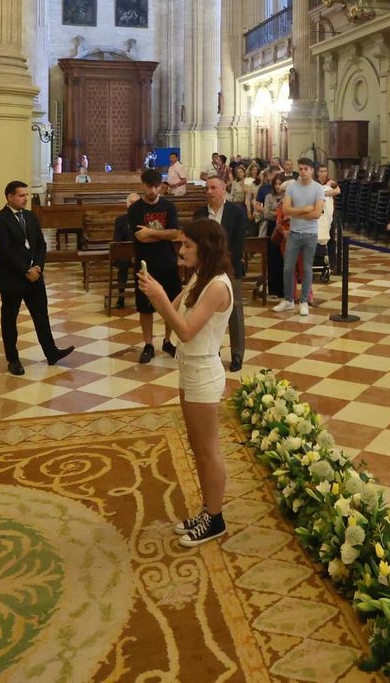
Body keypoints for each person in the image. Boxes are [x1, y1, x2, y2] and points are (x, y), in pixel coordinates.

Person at [140, 219, 236, 548]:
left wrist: (160, 297)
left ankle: (216, 518)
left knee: (208, 451)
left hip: (204, 371)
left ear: (205, 247)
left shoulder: (218, 286)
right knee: (197, 446)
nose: (180, 251)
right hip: (189, 368)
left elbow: (185, 331)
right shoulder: (201, 277)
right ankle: (208, 511)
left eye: (187, 246)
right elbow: (173, 311)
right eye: (180, 245)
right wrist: (155, 291)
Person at [0, 181, 75, 375]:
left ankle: (51, 352)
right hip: (12, 278)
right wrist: (25, 270)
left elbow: (40, 244)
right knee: (10, 319)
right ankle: (13, 359)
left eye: (26, 195)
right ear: (9, 197)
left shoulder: (30, 216)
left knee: (41, 315)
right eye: (21, 195)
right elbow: (3, 251)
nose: (25, 199)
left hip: (35, 276)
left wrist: (37, 267)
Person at [194, 176, 248, 372]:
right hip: (206, 270)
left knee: (235, 312)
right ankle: (212, 352)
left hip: (230, 268)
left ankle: (237, 355)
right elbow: (197, 243)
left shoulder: (237, 213)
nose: (209, 191)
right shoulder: (200, 214)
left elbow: (238, 243)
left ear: (223, 189)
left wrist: (221, 261)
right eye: (207, 188)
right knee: (207, 312)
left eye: (213, 187)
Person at [129, 168, 182, 363]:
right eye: (149, 186)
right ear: (142, 185)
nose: (152, 190)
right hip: (145, 263)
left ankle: (168, 340)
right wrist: (162, 234)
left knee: (171, 304)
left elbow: (175, 233)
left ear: (162, 186)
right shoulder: (135, 209)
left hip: (168, 261)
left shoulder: (168, 207)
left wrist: (153, 234)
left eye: (156, 187)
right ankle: (148, 343)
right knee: (145, 306)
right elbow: (140, 238)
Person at [274, 157, 326, 316]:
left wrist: (298, 211)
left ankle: (304, 301)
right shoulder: (291, 187)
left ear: (312, 171)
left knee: (307, 268)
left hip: (310, 234)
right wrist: (305, 209)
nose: (303, 171)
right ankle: (289, 300)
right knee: (288, 267)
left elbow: (317, 214)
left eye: (306, 169)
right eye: (301, 168)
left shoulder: (318, 189)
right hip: (294, 233)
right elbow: (287, 210)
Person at [110, 192, 140, 309]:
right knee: (123, 263)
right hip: (124, 253)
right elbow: (117, 240)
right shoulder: (121, 220)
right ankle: (121, 296)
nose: (134, 205)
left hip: (139, 251)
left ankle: (140, 295)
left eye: (136, 203)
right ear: (127, 204)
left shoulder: (144, 218)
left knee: (142, 262)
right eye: (132, 202)